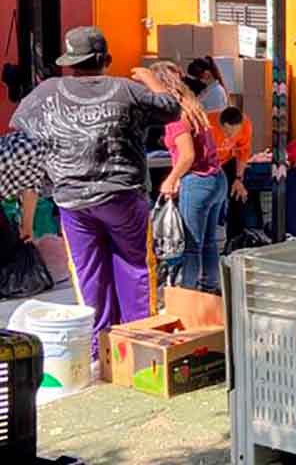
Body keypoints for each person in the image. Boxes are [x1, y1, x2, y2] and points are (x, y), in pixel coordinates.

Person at [11, 26, 180, 358]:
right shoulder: (127, 90)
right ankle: (138, 350)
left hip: (73, 200)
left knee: (90, 276)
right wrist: (151, 78)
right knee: (134, 269)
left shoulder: (47, 91)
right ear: (107, 60)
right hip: (122, 196)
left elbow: (19, 127)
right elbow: (171, 108)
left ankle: (98, 351)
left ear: (70, 62)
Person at [152, 61, 227, 292]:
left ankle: (189, 294)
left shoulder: (176, 118)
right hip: (217, 179)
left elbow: (187, 155)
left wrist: (170, 179)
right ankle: (211, 290)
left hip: (197, 182)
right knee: (209, 242)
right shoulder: (194, 109)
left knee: (191, 246)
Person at [212, 106, 253, 239]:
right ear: (223, 125)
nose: (233, 137)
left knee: (238, 194)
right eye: (229, 133)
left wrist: (238, 179)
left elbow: (243, 153)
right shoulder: (207, 125)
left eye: (236, 132)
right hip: (207, 163)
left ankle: (235, 239)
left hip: (227, 161)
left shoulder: (245, 125)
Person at [0, 130, 46, 245]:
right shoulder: (33, 147)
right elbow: (30, 189)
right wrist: (27, 229)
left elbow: (31, 187)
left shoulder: (31, 140)